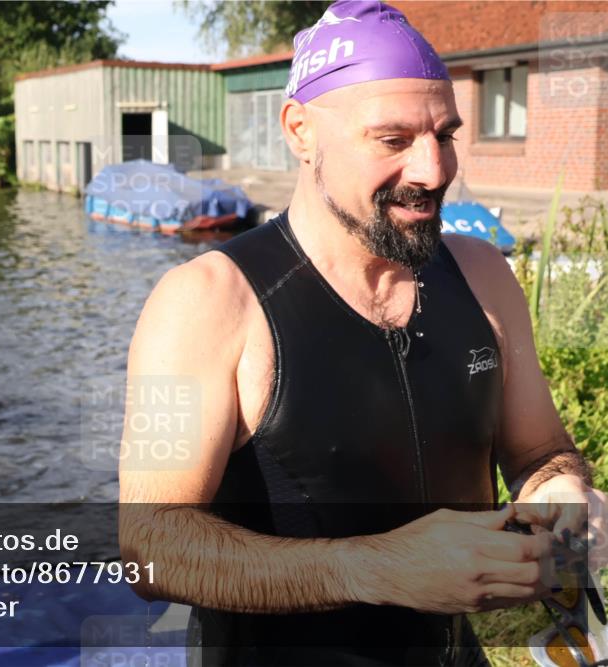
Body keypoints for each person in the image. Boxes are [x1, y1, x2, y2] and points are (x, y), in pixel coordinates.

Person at [118, 2, 606, 665]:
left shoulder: (483, 276)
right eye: (393, 140)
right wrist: (376, 568)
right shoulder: (205, 304)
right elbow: (150, 546)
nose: (432, 171)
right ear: (301, 130)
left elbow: (540, 446)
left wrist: (560, 493)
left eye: (445, 135)